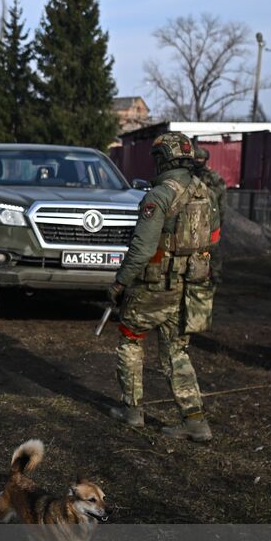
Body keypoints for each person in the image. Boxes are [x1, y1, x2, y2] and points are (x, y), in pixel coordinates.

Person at [107, 132, 215, 442]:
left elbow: (142, 249)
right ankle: (195, 420)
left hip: (154, 287)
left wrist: (119, 283)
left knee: (130, 339)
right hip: (190, 289)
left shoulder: (159, 195)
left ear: (161, 159)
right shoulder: (204, 191)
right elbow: (214, 237)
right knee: (176, 352)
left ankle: (132, 411)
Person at [190, 145, 227, 286]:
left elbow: (222, 200)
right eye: (196, 158)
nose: (198, 161)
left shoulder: (214, 177)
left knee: (213, 247)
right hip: (191, 217)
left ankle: (216, 273)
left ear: (206, 160)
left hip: (210, 217)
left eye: (201, 158)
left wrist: (220, 219)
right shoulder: (187, 175)